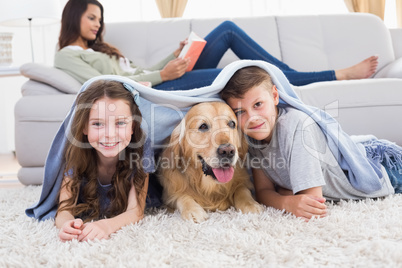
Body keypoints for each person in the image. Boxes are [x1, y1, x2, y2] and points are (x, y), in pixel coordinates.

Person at [54, 0, 379, 90]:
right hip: (153, 90)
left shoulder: (98, 50)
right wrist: (164, 78)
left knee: (226, 31)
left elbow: (145, 70)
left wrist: (176, 55)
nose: (97, 24)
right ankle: (333, 75)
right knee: (244, 71)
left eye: (99, 18)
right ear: (74, 17)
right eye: (92, 17)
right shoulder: (66, 57)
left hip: (160, 79)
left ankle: (291, 74)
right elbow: (102, 84)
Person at [220, 64, 402, 221]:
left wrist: (285, 194)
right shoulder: (252, 137)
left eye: (258, 104)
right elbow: (263, 192)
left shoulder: (297, 126)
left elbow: (312, 202)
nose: (252, 118)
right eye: (239, 112)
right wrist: (286, 201)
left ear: (275, 96)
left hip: (388, 169)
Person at [55, 79, 155, 242]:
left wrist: (106, 226)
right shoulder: (76, 149)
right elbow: (63, 210)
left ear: (133, 127)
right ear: (84, 127)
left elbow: (136, 211)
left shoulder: (142, 146)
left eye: (120, 123)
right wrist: (67, 224)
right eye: (98, 124)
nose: (109, 134)